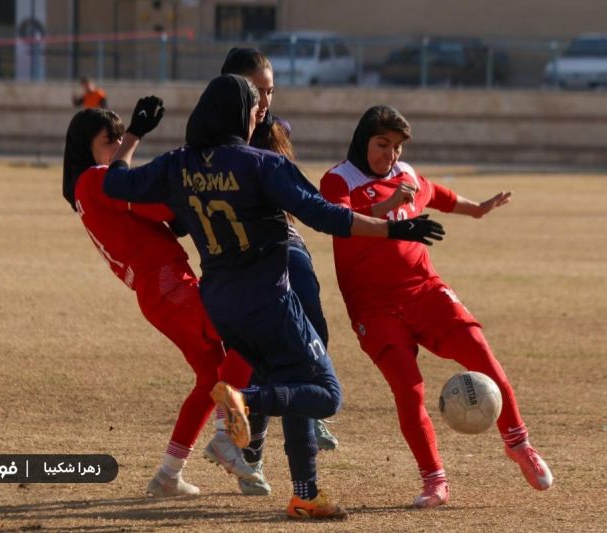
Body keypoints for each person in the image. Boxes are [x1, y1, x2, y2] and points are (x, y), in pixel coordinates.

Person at [103, 75, 444, 520]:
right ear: (238, 114)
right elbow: (325, 216)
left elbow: (117, 185)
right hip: (270, 299)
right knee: (325, 394)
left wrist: (133, 134)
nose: (256, 118)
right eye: (252, 110)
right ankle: (247, 400)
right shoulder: (262, 164)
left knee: (295, 385)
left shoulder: (175, 164)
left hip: (221, 303)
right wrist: (395, 228)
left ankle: (305, 494)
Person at [319, 105, 553, 509]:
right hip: (373, 308)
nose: (389, 155)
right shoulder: (338, 179)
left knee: (482, 354)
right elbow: (340, 220)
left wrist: (476, 208)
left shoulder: (405, 175)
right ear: (362, 141)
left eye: (395, 147)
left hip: (425, 291)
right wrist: (385, 205)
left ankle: (519, 444)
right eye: (381, 145)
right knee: (409, 392)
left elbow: (438, 194)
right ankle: (435, 482)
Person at [62, 97, 256, 499]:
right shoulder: (96, 178)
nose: (117, 145)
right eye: (108, 139)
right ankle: (227, 436)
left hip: (159, 290)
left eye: (119, 138)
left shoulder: (90, 186)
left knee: (211, 377)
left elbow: (157, 213)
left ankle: (169, 473)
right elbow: (159, 206)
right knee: (249, 336)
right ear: (88, 148)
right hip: (168, 284)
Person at [204, 47, 338, 498]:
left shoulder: (274, 133)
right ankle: (249, 442)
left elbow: (302, 201)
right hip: (248, 261)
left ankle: (262, 454)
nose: (265, 101)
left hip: (284, 244)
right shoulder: (210, 142)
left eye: (270, 90)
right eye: (256, 92)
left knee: (307, 338)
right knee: (277, 359)